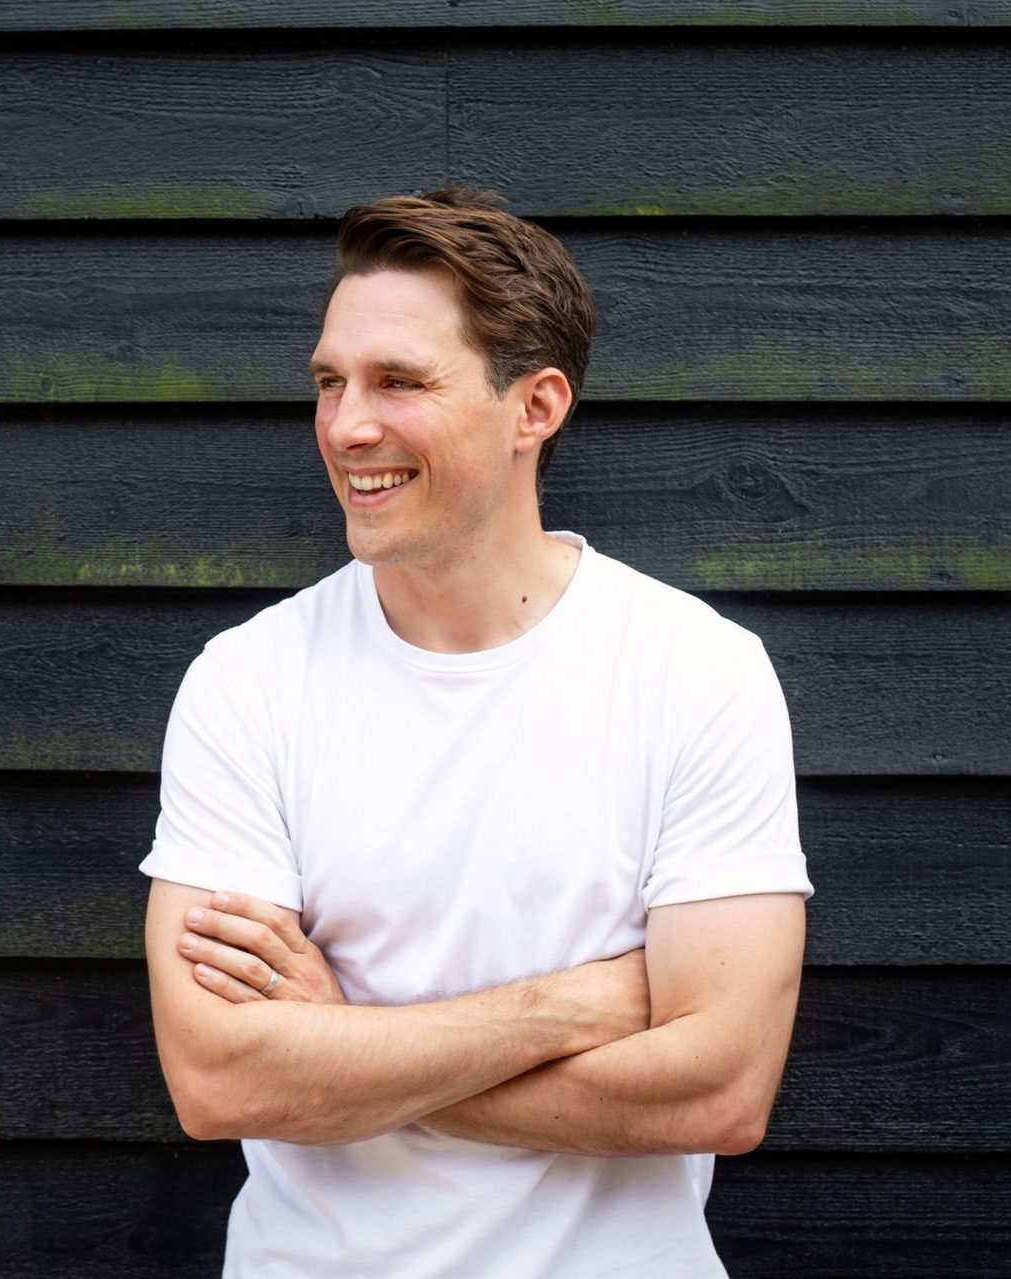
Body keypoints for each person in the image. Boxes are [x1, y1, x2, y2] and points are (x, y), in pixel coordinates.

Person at [138, 187, 813, 1277]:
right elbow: (220, 1081)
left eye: (399, 381)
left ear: (535, 406)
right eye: (330, 381)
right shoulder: (249, 682)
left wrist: (345, 1048)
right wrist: (578, 1003)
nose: (346, 425)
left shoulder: (696, 672)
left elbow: (720, 1092)